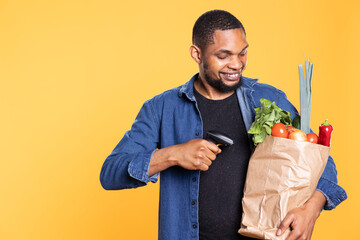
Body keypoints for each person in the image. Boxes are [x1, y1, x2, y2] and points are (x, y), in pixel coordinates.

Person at [100, 10, 347, 240]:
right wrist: (173, 154)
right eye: (223, 55)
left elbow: (320, 160)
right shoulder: (161, 108)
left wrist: (311, 210)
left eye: (242, 52)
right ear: (197, 54)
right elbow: (110, 174)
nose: (237, 64)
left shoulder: (269, 99)